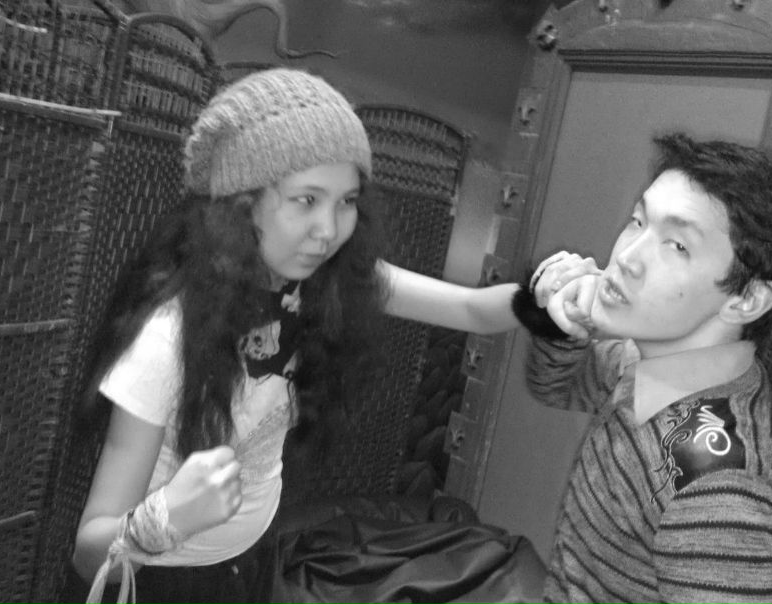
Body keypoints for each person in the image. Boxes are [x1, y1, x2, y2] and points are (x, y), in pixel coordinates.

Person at [67, 67, 520, 604]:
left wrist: (551, 300)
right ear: (241, 205)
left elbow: (474, 309)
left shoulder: (323, 285)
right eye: (306, 200)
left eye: (346, 201)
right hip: (161, 582)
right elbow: (90, 554)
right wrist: (164, 520)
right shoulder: (167, 340)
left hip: (251, 560)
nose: (328, 230)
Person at [511, 132, 772, 603]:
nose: (626, 258)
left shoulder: (719, 493)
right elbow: (554, 387)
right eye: (638, 221)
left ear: (747, 298)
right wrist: (563, 324)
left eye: (676, 245)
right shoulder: (650, 359)